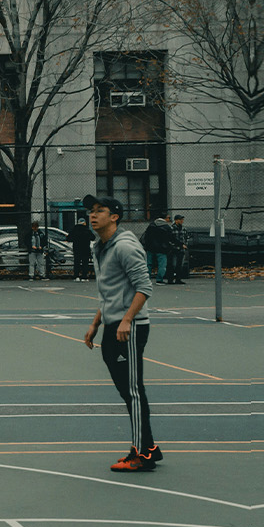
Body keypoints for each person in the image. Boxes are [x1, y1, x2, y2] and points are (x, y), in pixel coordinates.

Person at [81, 195, 162, 472]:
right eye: (91, 211)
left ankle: (141, 454)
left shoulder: (126, 246)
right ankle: (149, 446)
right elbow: (110, 292)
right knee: (126, 390)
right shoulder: (100, 246)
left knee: (133, 390)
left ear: (114, 217)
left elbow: (144, 287)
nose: (93, 215)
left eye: (99, 211)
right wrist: (96, 323)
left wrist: (128, 319)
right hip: (113, 324)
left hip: (131, 326)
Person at [141, 217, 175, 284]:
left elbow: (146, 237)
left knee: (148, 264)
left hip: (150, 248)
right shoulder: (167, 227)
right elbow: (171, 238)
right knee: (162, 265)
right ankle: (159, 279)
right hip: (162, 249)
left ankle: (147, 279)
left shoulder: (151, 226)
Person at [169, 215, 190, 284]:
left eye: (182, 219)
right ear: (176, 220)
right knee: (173, 264)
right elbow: (170, 239)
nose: (182, 221)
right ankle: (171, 279)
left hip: (181, 249)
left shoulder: (184, 228)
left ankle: (178, 279)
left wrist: (185, 244)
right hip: (174, 249)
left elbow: (186, 237)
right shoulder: (171, 228)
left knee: (179, 264)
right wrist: (174, 246)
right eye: (180, 219)